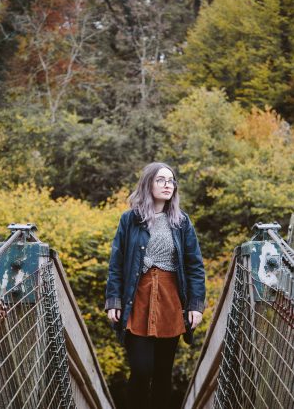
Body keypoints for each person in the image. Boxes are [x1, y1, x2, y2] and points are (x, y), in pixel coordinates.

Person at [104, 162, 206, 409]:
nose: (167, 185)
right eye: (161, 180)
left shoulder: (182, 222)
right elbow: (117, 263)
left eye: (171, 181)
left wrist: (195, 305)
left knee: (163, 375)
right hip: (136, 299)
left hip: (170, 302)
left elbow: (195, 266)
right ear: (148, 183)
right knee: (141, 371)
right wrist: (113, 301)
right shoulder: (130, 220)